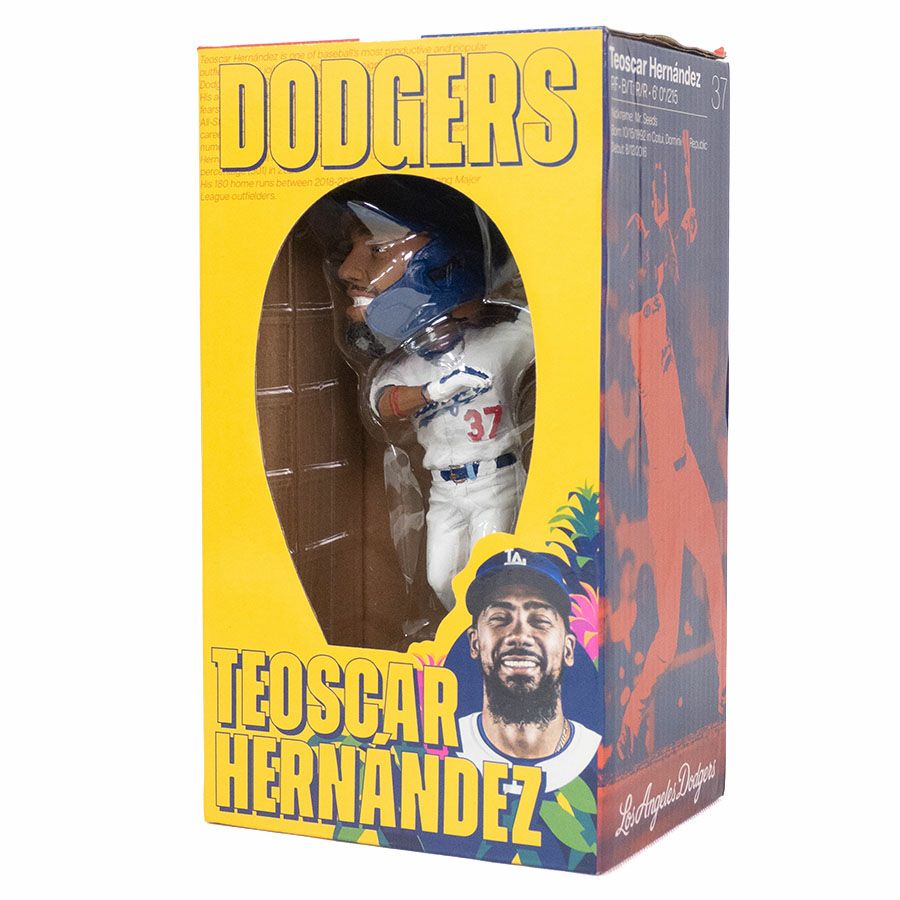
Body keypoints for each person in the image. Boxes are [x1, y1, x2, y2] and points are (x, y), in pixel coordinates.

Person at [334, 192, 534, 609]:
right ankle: (461, 631)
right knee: (439, 577)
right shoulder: (405, 366)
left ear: (445, 264)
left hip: (495, 480)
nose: (346, 270)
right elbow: (383, 405)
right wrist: (431, 392)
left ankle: (484, 629)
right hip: (444, 489)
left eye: (377, 249)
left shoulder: (500, 343)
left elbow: (550, 335)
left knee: (489, 569)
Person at [616, 131, 726, 759]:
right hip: (664, 488)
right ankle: (633, 713)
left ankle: (724, 698)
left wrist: (676, 182)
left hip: (689, 477)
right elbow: (662, 255)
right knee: (665, 632)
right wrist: (662, 214)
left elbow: (673, 248)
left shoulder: (661, 301)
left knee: (719, 586)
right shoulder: (633, 326)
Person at [458, 548, 601, 791]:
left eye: (540, 621)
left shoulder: (596, 755)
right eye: (500, 618)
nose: (520, 636)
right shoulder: (445, 744)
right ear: (474, 643)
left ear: (568, 649)